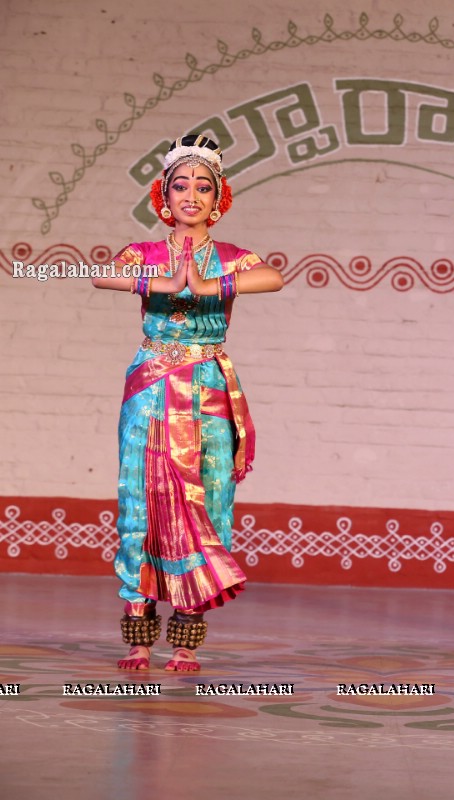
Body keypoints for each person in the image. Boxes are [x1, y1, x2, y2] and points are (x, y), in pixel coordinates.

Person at [92, 134, 283, 672]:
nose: (191, 196)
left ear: (218, 198)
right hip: (153, 386)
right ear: (164, 196)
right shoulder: (145, 254)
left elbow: (274, 277)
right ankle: (137, 633)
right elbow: (99, 273)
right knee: (142, 497)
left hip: (207, 390)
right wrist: (164, 279)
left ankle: (187, 637)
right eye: (181, 186)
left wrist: (206, 284)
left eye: (204, 186)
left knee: (209, 497)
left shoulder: (231, 258)